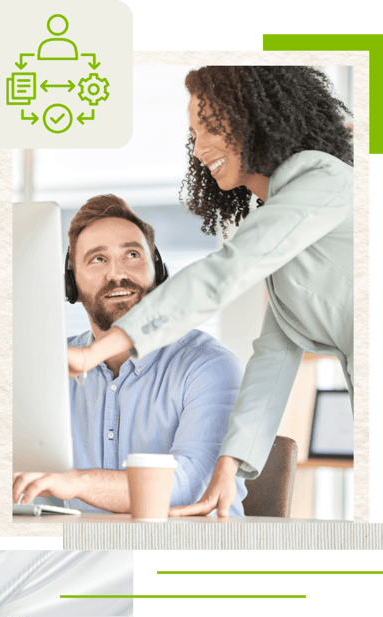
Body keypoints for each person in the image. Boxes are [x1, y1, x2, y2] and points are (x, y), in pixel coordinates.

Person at [67, 66, 354, 517]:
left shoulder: (324, 180)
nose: (199, 149)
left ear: (257, 118)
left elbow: (227, 270)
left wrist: (92, 355)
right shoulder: (285, 223)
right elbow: (274, 358)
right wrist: (226, 471)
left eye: (212, 128)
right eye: (194, 134)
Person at [12, 195, 247, 515]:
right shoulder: (44, 366)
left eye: (132, 254)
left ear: (158, 270)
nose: (117, 274)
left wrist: (77, 483)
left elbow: (190, 487)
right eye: (98, 259)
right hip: (84, 555)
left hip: (186, 552)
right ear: (72, 284)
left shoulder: (208, 366)